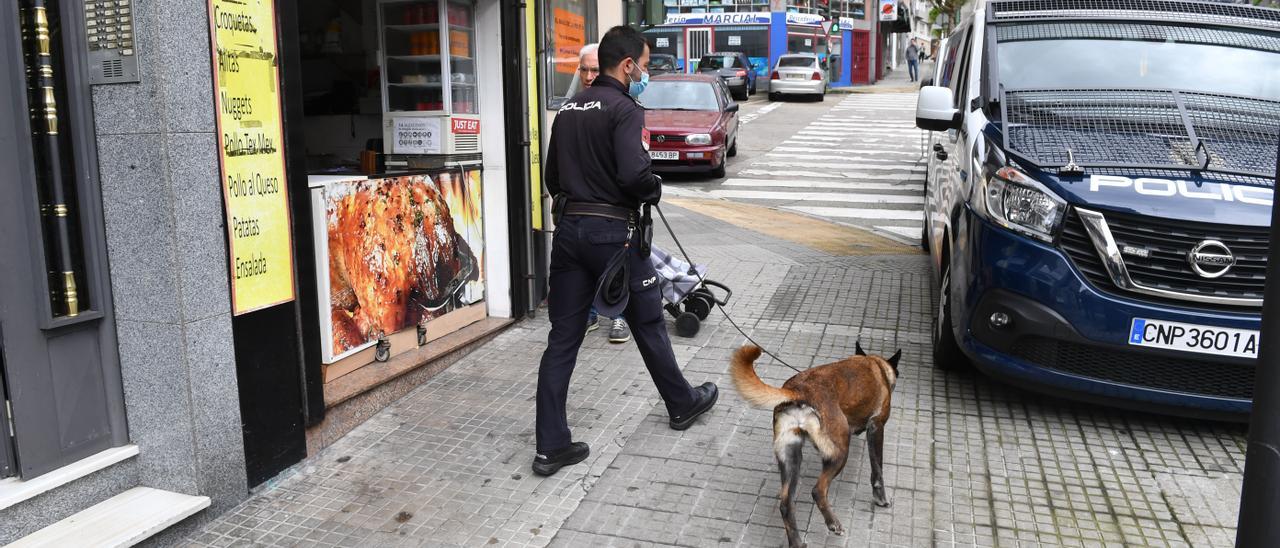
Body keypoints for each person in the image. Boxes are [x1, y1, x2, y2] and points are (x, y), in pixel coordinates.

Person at [534, 25, 718, 476]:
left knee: (563, 338)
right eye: (646, 66)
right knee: (649, 321)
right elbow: (635, 176)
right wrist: (653, 186)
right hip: (614, 236)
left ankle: (550, 446)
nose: (645, 74)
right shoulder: (626, 109)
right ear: (628, 65)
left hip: (570, 233)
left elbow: (552, 178)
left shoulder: (569, 108)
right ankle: (682, 403)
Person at [574, 42, 633, 344]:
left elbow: (632, 168)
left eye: (594, 70)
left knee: (615, 265)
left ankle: (619, 315)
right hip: (580, 208)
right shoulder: (572, 107)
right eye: (583, 70)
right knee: (584, 268)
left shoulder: (621, 107)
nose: (588, 76)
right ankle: (590, 315)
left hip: (612, 209)